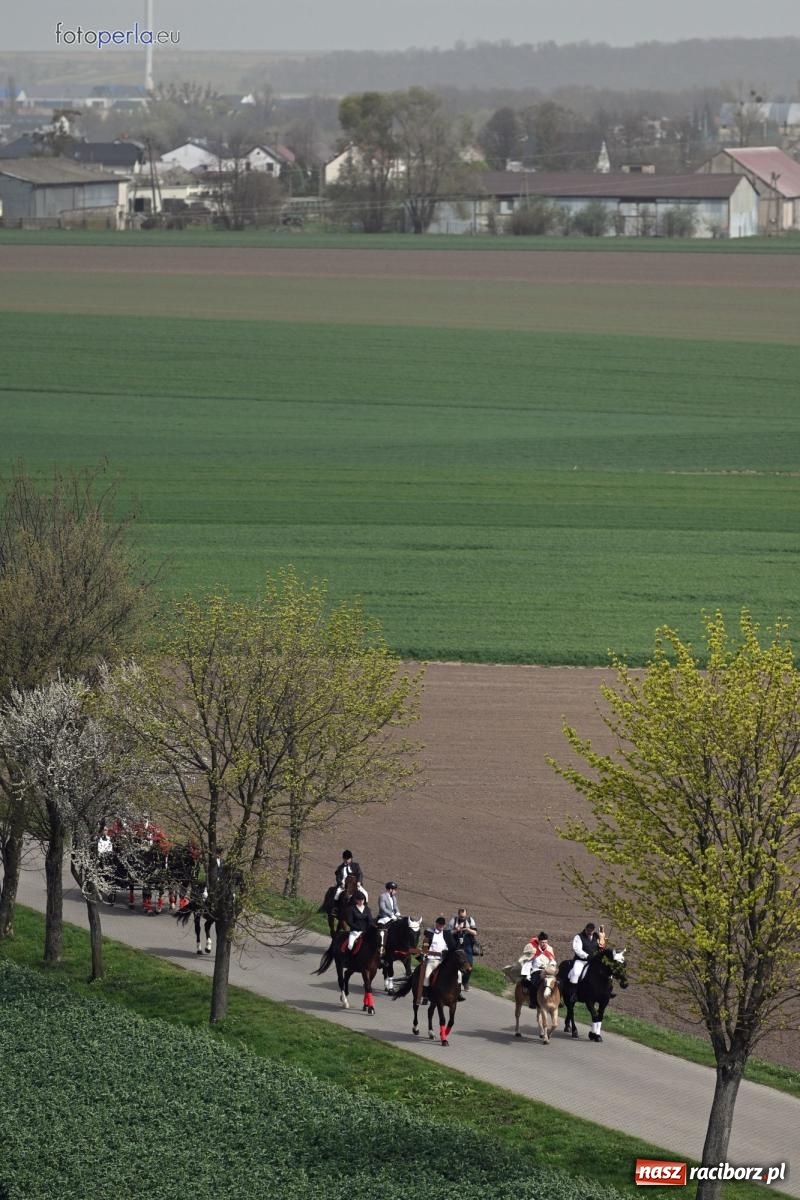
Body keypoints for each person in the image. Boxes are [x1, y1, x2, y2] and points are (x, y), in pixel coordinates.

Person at [421, 915, 457, 1002]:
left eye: (443, 925)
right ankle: (425, 996)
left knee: (458, 974)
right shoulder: (430, 933)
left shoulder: (447, 934)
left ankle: (457, 993)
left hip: (443, 961)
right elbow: (426, 940)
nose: (441, 926)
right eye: (439, 924)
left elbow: (452, 947)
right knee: (426, 975)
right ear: (436, 924)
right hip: (432, 959)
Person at [448, 905, 478, 994]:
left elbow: (475, 932)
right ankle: (453, 982)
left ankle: (465, 982)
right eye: (461, 917)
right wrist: (456, 930)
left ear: (466, 915)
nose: (462, 918)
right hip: (456, 944)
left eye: (464, 917)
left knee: (469, 965)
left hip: (467, 945)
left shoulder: (470, 920)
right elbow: (448, 933)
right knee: (454, 964)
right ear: (458, 915)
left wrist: (467, 929)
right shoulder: (453, 920)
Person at [523, 932, 557, 1008]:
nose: (544, 944)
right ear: (539, 942)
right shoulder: (533, 949)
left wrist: (551, 966)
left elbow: (552, 960)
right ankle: (533, 1001)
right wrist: (527, 974)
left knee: (556, 983)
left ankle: (556, 1000)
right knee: (534, 984)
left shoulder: (550, 949)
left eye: (545, 942)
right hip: (536, 970)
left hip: (547, 970)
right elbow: (528, 962)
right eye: (542, 942)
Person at [567, 922, 601, 988]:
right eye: (588, 930)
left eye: (592, 930)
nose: (590, 932)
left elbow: (600, 947)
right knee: (576, 973)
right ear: (585, 929)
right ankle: (573, 992)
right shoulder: (579, 937)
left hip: (594, 961)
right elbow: (577, 949)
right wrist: (587, 956)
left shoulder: (596, 936)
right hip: (581, 961)